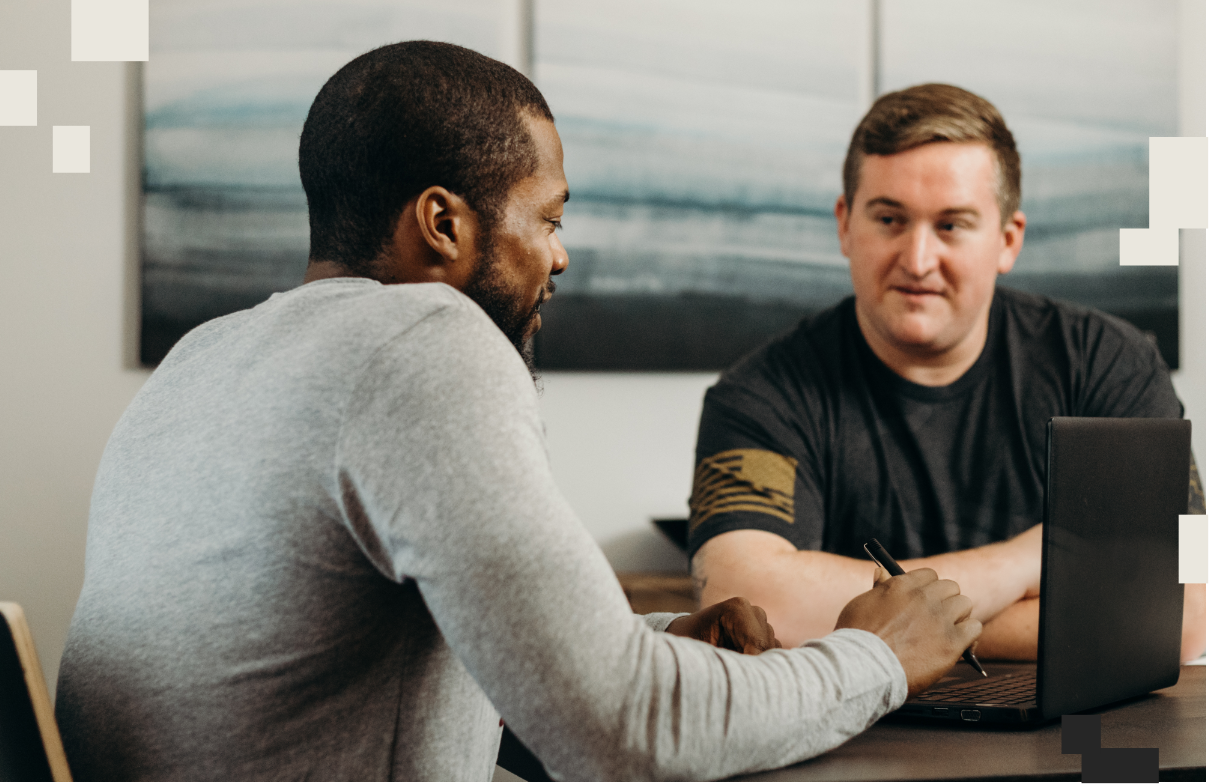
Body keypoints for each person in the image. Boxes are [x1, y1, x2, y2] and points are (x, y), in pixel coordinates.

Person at [55, 44, 981, 781]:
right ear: (443, 224)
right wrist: (878, 656)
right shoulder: (426, 337)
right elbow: (626, 734)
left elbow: (333, 662)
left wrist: (645, 641)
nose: (561, 257)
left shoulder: (201, 361)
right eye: (548, 218)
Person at [688, 83, 1206, 662]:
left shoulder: (1109, 364)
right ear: (844, 224)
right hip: (858, 738)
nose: (917, 260)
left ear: (1008, 240)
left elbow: (1179, 615)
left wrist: (898, 627)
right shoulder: (759, 396)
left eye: (953, 225)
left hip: (1081, 741)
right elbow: (754, 610)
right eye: (890, 219)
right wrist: (1022, 564)